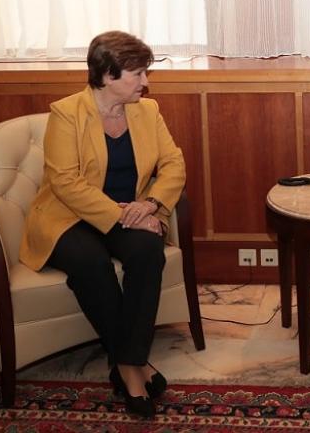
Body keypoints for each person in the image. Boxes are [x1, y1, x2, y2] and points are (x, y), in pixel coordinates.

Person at [21, 31, 186, 418]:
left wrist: (150, 205)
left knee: (147, 253)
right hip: (69, 216)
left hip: (132, 211)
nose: (145, 82)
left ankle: (126, 361)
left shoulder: (148, 111)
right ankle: (134, 369)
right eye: (138, 74)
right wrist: (122, 215)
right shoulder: (67, 113)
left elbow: (174, 164)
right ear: (109, 75)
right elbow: (65, 183)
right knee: (91, 263)